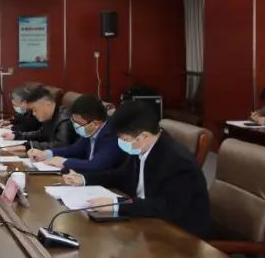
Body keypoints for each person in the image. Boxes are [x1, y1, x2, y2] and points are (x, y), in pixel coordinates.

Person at [61, 100, 211, 238]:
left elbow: (165, 206)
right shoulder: (142, 147)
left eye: (124, 139)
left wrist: (116, 204)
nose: (120, 142)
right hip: (145, 220)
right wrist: (84, 179)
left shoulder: (179, 162)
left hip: (179, 235)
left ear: (144, 136)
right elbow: (120, 175)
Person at [26, 94, 122, 172]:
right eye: (74, 121)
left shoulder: (112, 134)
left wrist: (64, 162)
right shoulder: (91, 130)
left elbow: (96, 165)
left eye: (79, 123)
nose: (76, 126)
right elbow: (75, 149)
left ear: (95, 124)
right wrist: (47, 154)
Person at [3, 86, 74, 150]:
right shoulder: (49, 116)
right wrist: (17, 135)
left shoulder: (64, 119)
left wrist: (29, 146)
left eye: (35, 109)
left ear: (48, 105)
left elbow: (61, 145)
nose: (34, 113)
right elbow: (40, 133)